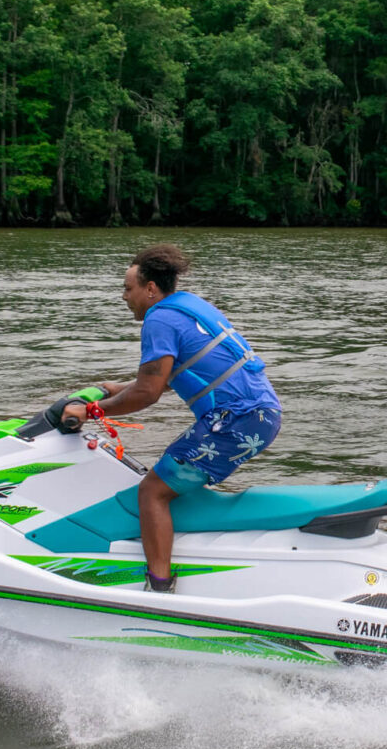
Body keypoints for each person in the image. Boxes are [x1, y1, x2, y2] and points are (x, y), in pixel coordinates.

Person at [63, 244, 282, 593]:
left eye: (128, 288)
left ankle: (160, 586)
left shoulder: (159, 319)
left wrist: (90, 411)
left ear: (150, 289)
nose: (124, 297)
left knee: (152, 492)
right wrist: (114, 389)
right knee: (170, 479)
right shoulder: (188, 306)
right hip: (258, 414)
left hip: (236, 420)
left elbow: (148, 393)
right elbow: (173, 376)